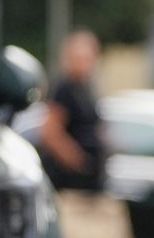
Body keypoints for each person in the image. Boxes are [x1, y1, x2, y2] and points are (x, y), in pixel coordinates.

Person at [39, 30, 107, 193]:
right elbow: (51, 133)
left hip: (88, 183)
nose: (84, 64)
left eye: (87, 58)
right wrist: (79, 162)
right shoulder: (63, 89)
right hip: (69, 182)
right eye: (78, 59)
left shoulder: (86, 88)